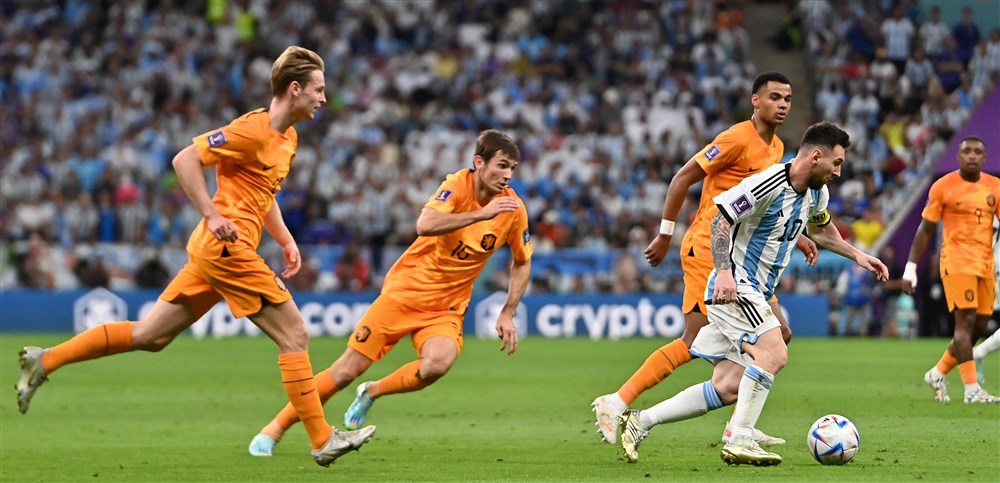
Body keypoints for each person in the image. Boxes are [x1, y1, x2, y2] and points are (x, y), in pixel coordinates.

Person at [14, 46, 375, 467]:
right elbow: (185, 159)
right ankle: (322, 439)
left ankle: (46, 360)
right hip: (227, 250)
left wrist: (285, 238)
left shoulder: (288, 138)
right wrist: (211, 213)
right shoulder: (251, 131)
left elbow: (264, 193)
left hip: (214, 251)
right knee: (294, 334)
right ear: (295, 89)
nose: (324, 98)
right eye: (318, 89)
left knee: (151, 335)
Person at [248, 129, 532, 456]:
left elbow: (522, 260)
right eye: (501, 165)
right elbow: (425, 224)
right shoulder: (457, 185)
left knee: (436, 364)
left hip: (446, 308)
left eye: (512, 168)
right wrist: (481, 213)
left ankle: (372, 391)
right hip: (404, 294)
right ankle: (273, 430)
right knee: (345, 370)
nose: (508, 175)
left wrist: (508, 311)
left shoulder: (513, 209)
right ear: (479, 162)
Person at [618, 121, 888, 465]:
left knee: (728, 385)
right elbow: (721, 220)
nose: (838, 172)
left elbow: (821, 230)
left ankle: (641, 421)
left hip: (757, 290)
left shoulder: (817, 193)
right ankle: (739, 436)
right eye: (836, 163)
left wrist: (858, 256)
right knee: (774, 352)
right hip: (736, 284)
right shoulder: (768, 183)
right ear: (816, 157)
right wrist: (724, 273)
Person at [591, 71, 818, 446]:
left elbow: (763, 204)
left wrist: (799, 235)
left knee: (781, 333)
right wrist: (665, 233)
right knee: (694, 338)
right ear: (755, 101)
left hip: (743, 258)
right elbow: (682, 177)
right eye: (774, 97)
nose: (782, 105)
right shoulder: (735, 138)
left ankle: (741, 422)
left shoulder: (777, 148)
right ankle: (615, 402)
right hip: (709, 250)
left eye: (787, 99)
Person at [903, 136, 1000, 404]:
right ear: (958, 156)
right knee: (964, 323)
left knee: (979, 326)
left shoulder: (995, 186)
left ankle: (938, 372)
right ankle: (972, 390)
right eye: (967, 151)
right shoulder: (943, 186)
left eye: (977, 151)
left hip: (986, 264)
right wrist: (911, 267)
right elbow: (925, 229)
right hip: (957, 262)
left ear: (985, 158)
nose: (972, 155)